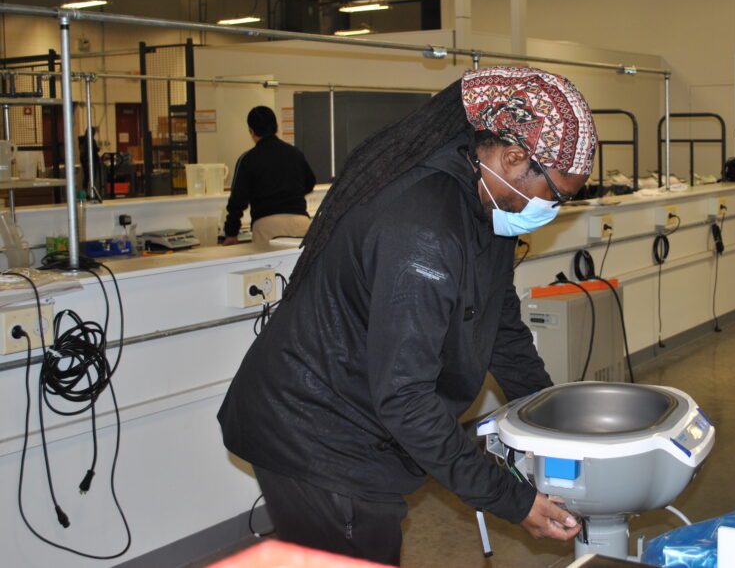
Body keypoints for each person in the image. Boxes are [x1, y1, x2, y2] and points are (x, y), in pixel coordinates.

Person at [217, 67, 597, 565]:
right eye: (557, 196)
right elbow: (406, 399)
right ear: (513, 157)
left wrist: (550, 423)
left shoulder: (489, 204)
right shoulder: (424, 229)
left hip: (357, 412)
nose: (554, 210)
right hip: (315, 429)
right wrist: (513, 499)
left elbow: (501, 325)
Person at [222, 106, 316, 247]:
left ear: (251, 131)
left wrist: (231, 232)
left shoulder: (247, 159)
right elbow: (310, 182)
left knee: (270, 262)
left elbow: (237, 201)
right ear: (276, 126)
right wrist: (290, 193)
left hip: (266, 226)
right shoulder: (295, 153)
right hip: (300, 222)